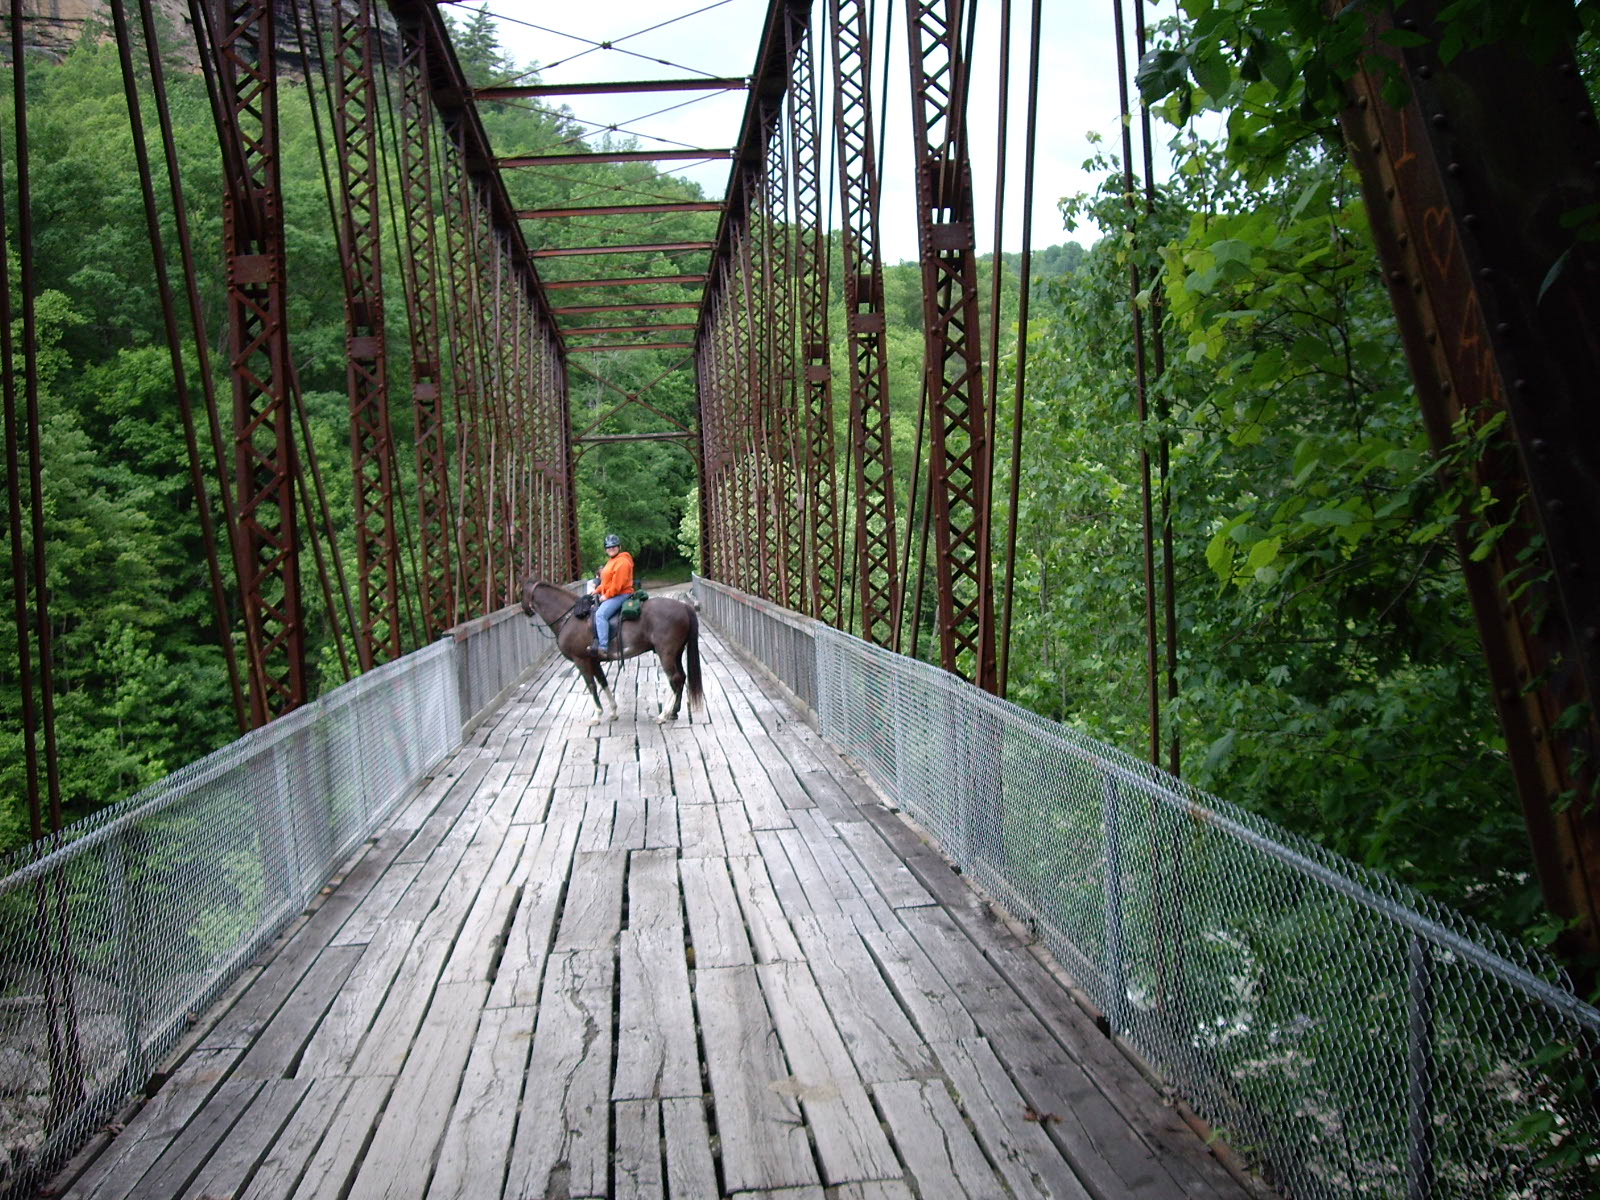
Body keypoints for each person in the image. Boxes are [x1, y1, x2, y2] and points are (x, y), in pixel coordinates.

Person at [589, 533, 635, 660]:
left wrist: (606, 596)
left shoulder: (622, 562)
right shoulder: (611, 561)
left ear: (619, 547)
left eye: (613, 546)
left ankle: (603, 647)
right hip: (613, 593)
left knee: (600, 614)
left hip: (621, 594)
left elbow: (618, 585)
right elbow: (606, 581)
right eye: (608, 547)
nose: (611, 549)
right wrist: (597, 590)